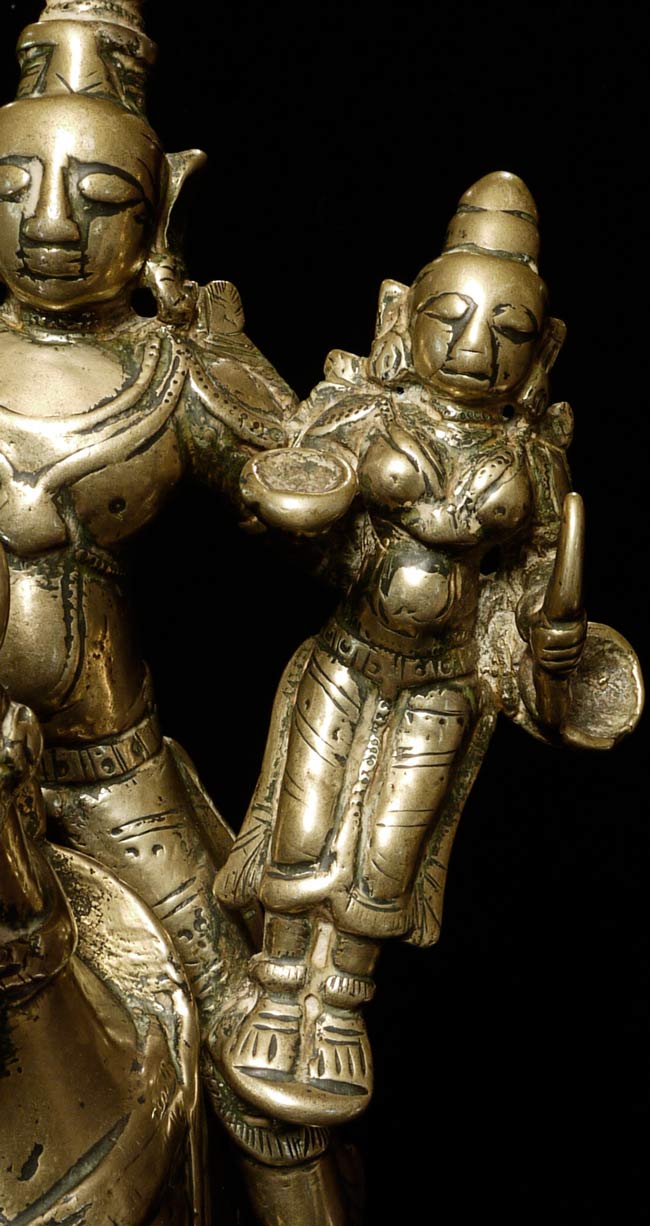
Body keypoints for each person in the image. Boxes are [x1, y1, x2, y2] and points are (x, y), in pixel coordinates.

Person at [0, 2, 349, 1217]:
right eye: (15, 188)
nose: (50, 223)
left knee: (252, 1047)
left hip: (108, 771)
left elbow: (320, 516)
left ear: (160, 207)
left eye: (98, 194)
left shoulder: (174, 369)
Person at [213, 170, 643, 1127]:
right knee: (303, 824)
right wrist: (305, 503)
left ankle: (339, 1005)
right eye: (447, 318)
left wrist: (549, 640)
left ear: (545, 349)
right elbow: (297, 484)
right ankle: (277, 988)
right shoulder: (371, 414)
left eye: (507, 331)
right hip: (348, 656)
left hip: (445, 683)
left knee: (391, 847)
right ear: (400, 318)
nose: (473, 347)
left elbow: (532, 584)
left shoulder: (532, 459)